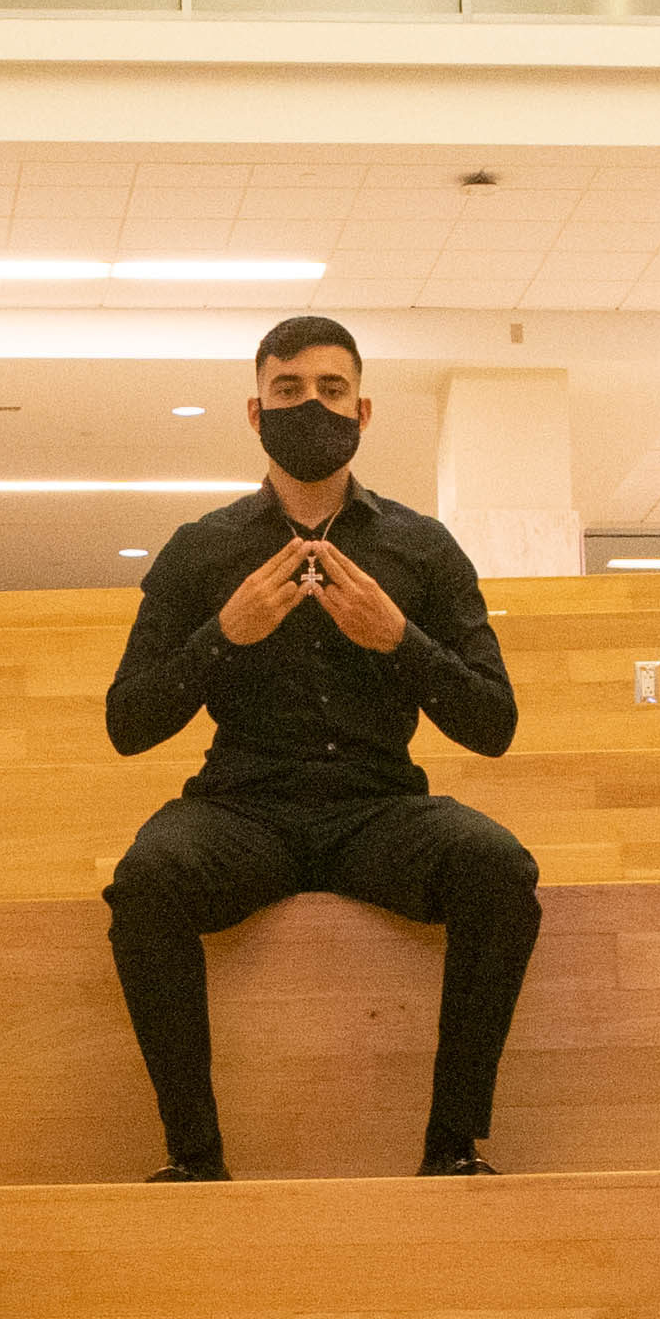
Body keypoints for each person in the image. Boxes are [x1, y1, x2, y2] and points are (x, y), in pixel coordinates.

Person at [101, 313, 538, 1179]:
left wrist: (399, 638)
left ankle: (453, 1148)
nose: (312, 405)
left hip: (380, 809)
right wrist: (223, 634)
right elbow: (128, 722)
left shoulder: (422, 546)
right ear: (256, 412)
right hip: (242, 809)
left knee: (500, 870)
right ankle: (195, 1160)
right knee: (146, 881)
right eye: (289, 389)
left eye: (332, 390)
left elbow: (494, 723)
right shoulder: (201, 549)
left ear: (363, 411)